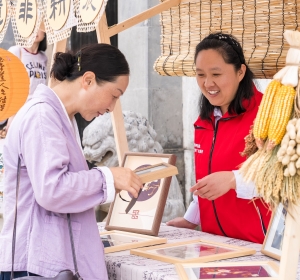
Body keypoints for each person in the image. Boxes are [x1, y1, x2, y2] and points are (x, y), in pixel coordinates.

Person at [0, 43, 143, 280]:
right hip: (35, 265)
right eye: (114, 95)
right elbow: (52, 189)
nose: (111, 107)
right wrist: (108, 177)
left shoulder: (60, 116)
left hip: (46, 261)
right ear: (88, 80)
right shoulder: (42, 115)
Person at [167, 33, 271, 244]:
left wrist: (234, 180)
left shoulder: (265, 115)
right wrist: (191, 219)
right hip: (214, 242)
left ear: (240, 72)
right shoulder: (203, 122)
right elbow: (205, 183)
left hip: (257, 244)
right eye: (200, 75)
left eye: (216, 73)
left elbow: (280, 178)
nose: (208, 83)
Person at [0, 30, 48, 133]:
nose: (35, 30)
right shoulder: (16, 51)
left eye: (39, 26)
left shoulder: (44, 58)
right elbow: (7, 86)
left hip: (38, 113)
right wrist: (11, 116)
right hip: (20, 114)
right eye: (32, 25)